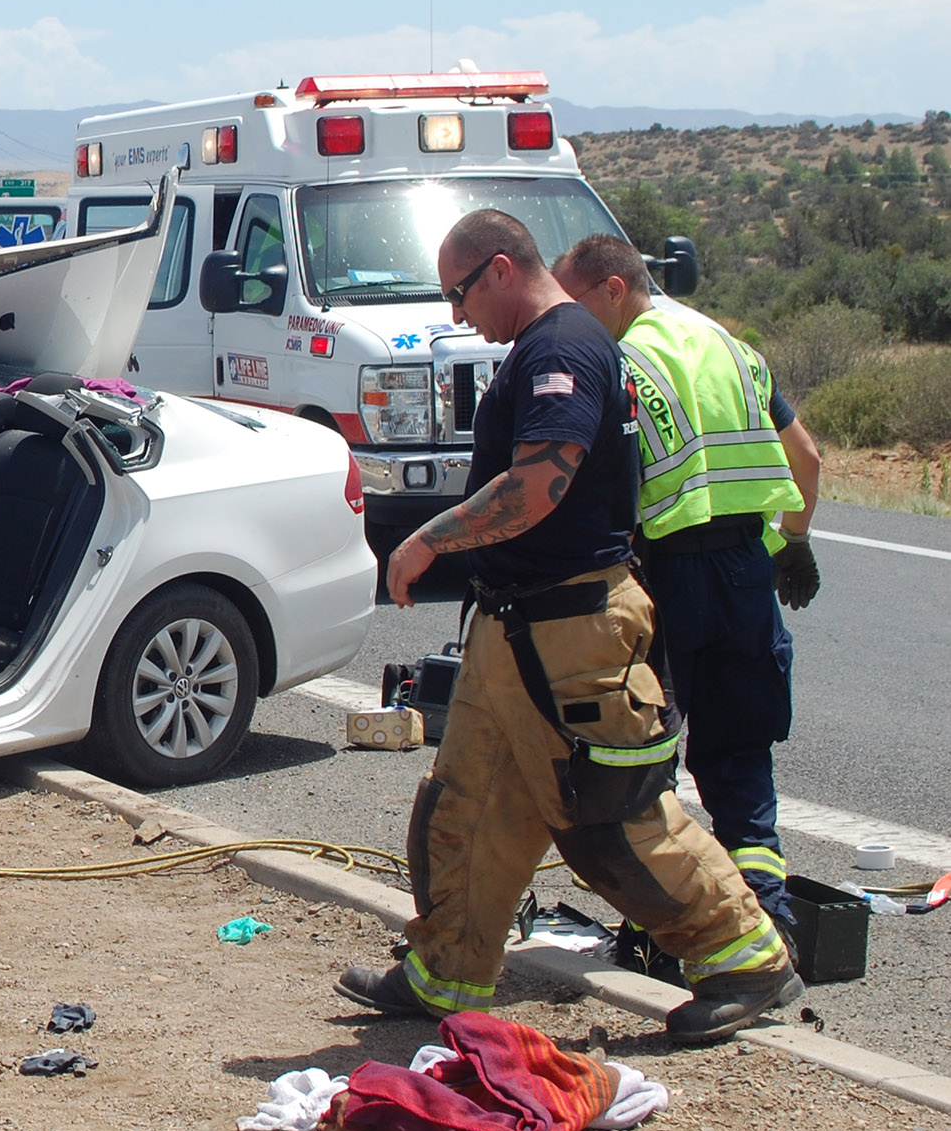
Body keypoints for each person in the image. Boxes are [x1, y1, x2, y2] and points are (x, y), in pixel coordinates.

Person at [337, 209, 801, 1045]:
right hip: (518, 630)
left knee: (610, 814)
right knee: (470, 804)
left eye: (460, 291)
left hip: (570, 633)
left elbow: (542, 482)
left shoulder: (562, 347)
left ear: (503, 269)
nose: (455, 314)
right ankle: (445, 970)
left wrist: (425, 540)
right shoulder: (559, 344)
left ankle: (743, 959)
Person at [552, 233, 821, 945]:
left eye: (570, 301)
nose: (562, 318)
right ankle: (770, 920)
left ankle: (674, 930)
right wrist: (793, 543)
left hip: (668, 578)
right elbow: (808, 459)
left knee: (648, 762)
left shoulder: (622, 361)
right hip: (746, 575)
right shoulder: (733, 347)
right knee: (739, 759)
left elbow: (604, 483)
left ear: (613, 290)